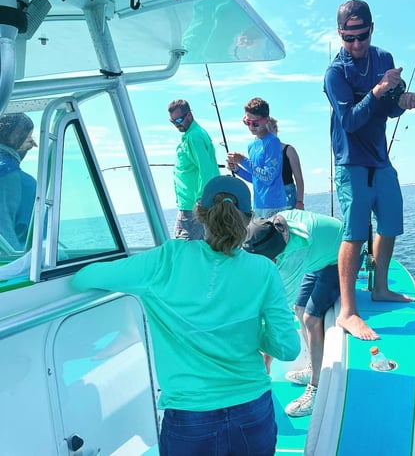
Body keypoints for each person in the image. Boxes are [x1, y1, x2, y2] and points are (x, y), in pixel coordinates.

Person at [71, 175, 300, 456]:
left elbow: (85, 278)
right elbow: (288, 349)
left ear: (199, 213)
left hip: (190, 418)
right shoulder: (264, 270)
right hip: (252, 412)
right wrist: (253, 333)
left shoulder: (166, 259)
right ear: (249, 218)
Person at [323, 0, 415, 341]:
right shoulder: (335, 73)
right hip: (350, 159)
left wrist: (401, 103)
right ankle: (348, 312)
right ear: (340, 35)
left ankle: (380, 287)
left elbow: (389, 109)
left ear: (371, 30)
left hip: (379, 157)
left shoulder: (384, 59)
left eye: (361, 36)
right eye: (349, 38)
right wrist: (378, 90)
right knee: (355, 232)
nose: (357, 44)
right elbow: (349, 121)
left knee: (391, 220)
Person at [243, 209, 342, 417]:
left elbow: (278, 313)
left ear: (274, 258)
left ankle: (317, 387)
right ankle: (314, 365)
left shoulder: (292, 259)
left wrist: (266, 359)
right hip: (317, 257)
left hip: (339, 257)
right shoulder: (272, 227)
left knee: (311, 318)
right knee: (300, 307)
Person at [168, 99, 220, 240]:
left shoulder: (194, 137)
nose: (176, 124)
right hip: (191, 204)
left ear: (189, 115)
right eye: (172, 122)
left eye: (179, 119)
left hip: (192, 206)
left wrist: (201, 200)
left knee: (183, 249)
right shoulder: (192, 135)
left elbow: (206, 169)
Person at [226, 97, 286, 218]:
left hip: (275, 207)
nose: (251, 126)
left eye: (255, 123)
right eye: (247, 122)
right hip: (258, 206)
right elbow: (256, 179)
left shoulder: (273, 142)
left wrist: (243, 160)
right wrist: (237, 170)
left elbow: (268, 177)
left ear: (267, 120)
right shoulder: (251, 145)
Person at [0, 113, 38, 251]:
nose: (33, 144)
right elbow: (4, 232)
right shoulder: (11, 176)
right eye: (28, 138)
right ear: (15, 139)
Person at [267, 117, 305, 210]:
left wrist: (300, 202)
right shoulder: (263, 154)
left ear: (275, 129)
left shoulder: (289, 150)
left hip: (288, 194)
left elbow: (298, 178)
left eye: (268, 131)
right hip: (270, 195)